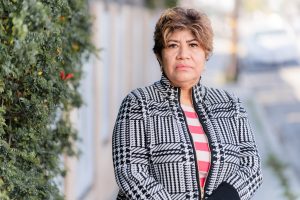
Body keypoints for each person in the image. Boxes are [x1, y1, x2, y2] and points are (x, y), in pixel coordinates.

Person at [112, 7, 262, 200]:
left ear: (205, 53)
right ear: (159, 55)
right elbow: (131, 173)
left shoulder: (231, 105)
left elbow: (251, 167)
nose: (183, 54)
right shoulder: (138, 104)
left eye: (193, 45)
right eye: (173, 45)